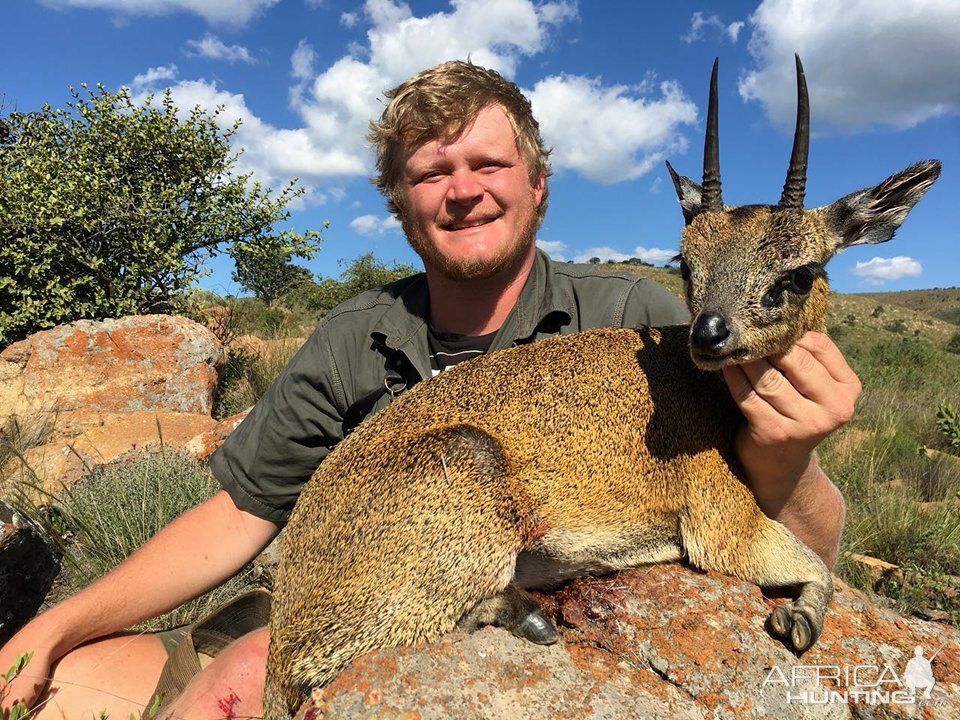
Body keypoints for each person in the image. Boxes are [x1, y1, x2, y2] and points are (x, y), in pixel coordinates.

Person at [0, 60, 855, 719]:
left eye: (488, 162)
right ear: (401, 204)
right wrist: (55, 626)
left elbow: (782, 525)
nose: (462, 192)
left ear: (538, 184)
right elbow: (238, 512)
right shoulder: (351, 336)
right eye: (429, 173)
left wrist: (792, 454)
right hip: (344, 589)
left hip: (407, 618)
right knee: (64, 682)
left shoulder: (642, 321)